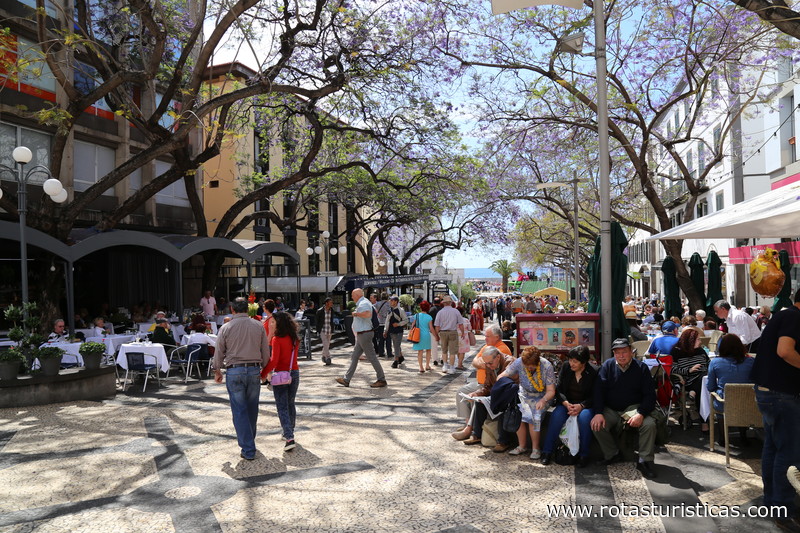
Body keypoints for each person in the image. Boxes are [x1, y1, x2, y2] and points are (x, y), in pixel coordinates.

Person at [750, 289, 800, 532]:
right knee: (788, 453)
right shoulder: (794, 317)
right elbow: (785, 351)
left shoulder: (784, 316)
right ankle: (782, 507)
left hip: (769, 392)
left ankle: (771, 502)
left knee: (773, 447)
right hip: (782, 394)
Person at [591, 338, 659, 479]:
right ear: (613, 354)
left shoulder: (641, 368)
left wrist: (641, 413)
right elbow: (598, 392)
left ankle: (644, 460)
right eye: (617, 353)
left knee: (649, 424)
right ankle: (612, 454)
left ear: (631, 352)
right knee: (596, 424)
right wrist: (598, 412)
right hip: (612, 409)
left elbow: (650, 395)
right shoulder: (607, 366)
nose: (621, 356)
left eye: (624, 352)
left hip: (634, 409)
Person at [213, 298, 271, 461]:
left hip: (234, 371)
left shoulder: (226, 327)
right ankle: (249, 443)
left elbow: (219, 351)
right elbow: (265, 351)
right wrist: (266, 371)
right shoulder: (258, 325)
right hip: (253, 370)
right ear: (247, 309)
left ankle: (248, 448)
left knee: (239, 410)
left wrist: (217, 369)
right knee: (252, 409)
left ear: (232, 309)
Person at [540, 345, 597, 467]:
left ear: (584, 362)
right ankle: (547, 451)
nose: (571, 363)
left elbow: (596, 395)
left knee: (585, 419)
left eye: (575, 361)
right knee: (556, 416)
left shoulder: (594, 371)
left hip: (585, 405)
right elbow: (559, 389)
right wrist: (565, 403)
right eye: (570, 360)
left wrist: (581, 406)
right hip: (567, 403)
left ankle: (583, 455)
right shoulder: (566, 367)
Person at [496, 346, 556, 459]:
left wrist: (543, 400)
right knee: (518, 412)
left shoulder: (546, 365)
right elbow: (505, 374)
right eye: (527, 366)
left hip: (542, 396)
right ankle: (522, 445)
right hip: (524, 394)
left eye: (532, 366)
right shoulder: (519, 362)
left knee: (535, 414)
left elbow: (551, 391)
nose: (529, 368)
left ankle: (536, 448)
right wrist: (500, 381)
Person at [261, 312, 300, 451]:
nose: (271, 324)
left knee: (282, 406)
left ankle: (289, 437)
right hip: (294, 373)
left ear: (279, 323)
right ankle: (289, 431)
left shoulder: (277, 339)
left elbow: (274, 361)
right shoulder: (295, 338)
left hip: (280, 376)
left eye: (273, 322)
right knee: (290, 404)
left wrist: (263, 373)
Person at [706, 333, 755, 445]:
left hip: (724, 401)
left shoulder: (715, 362)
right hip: (748, 401)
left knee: (719, 401)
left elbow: (710, 387)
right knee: (742, 400)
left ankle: (722, 437)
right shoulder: (751, 361)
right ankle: (743, 435)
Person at [336, 288, 387, 388]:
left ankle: (381, 379)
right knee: (354, 357)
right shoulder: (363, 302)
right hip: (362, 335)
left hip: (365, 334)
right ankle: (346, 379)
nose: (351, 297)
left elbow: (368, 314)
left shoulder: (363, 303)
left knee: (372, 357)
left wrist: (356, 314)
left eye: (352, 295)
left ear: (357, 295)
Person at [670, 328, 710, 431]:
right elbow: (673, 369)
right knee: (702, 387)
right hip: (688, 380)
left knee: (703, 382)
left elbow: (709, 364)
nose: (700, 342)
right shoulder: (677, 351)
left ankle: (693, 393)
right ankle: (704, 422)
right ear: (690, 341)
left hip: (704, 380)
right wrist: (689, 370)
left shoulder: (701, 350)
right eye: (698, 339)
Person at [434, 296, 465, 375]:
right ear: (451, 303)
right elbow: (461, 324)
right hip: (453, 332)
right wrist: (463, 333)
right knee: (452, 351)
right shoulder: (456, 311)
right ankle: (451, 367)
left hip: (443, 332)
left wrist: (436, 335)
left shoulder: (440, 312)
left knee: (444, 350)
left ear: (443, 303)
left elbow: (437, 326)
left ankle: (445, 365)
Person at [411, 301, 437, 373]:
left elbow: (413, 325)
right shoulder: (429, 317)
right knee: (428, 350)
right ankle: (427, 365)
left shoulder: (416, 315)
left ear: (420, 307)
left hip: (418, 335)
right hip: (426, 335)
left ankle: (421, 367)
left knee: (420, 351)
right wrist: (436, 336)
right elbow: (431, 328)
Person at [384, 296, 408, 369]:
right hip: (391, 331)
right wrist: (385, 330)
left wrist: (398, 324)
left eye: (392, 300)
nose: (390, 302)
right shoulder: (389, 310)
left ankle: (396, 361)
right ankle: (400, 357)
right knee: (396, 344)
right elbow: (387, 321)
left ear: (396, 302)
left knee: (396, 345)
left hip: (399, 331)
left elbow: (406, 320)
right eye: (390, 300)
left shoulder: (401, 310)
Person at [315, 297, 335, 365]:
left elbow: (331, 320)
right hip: (322, 330)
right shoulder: (320, 311)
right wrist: (317, 330)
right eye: (330, 302)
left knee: (327, 344)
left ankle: (323, 356)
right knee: (325, 344)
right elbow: (317, 321)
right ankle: (328, 358)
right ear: (326, 303)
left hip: (329, 329)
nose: (332, 304)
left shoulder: (331, 310)